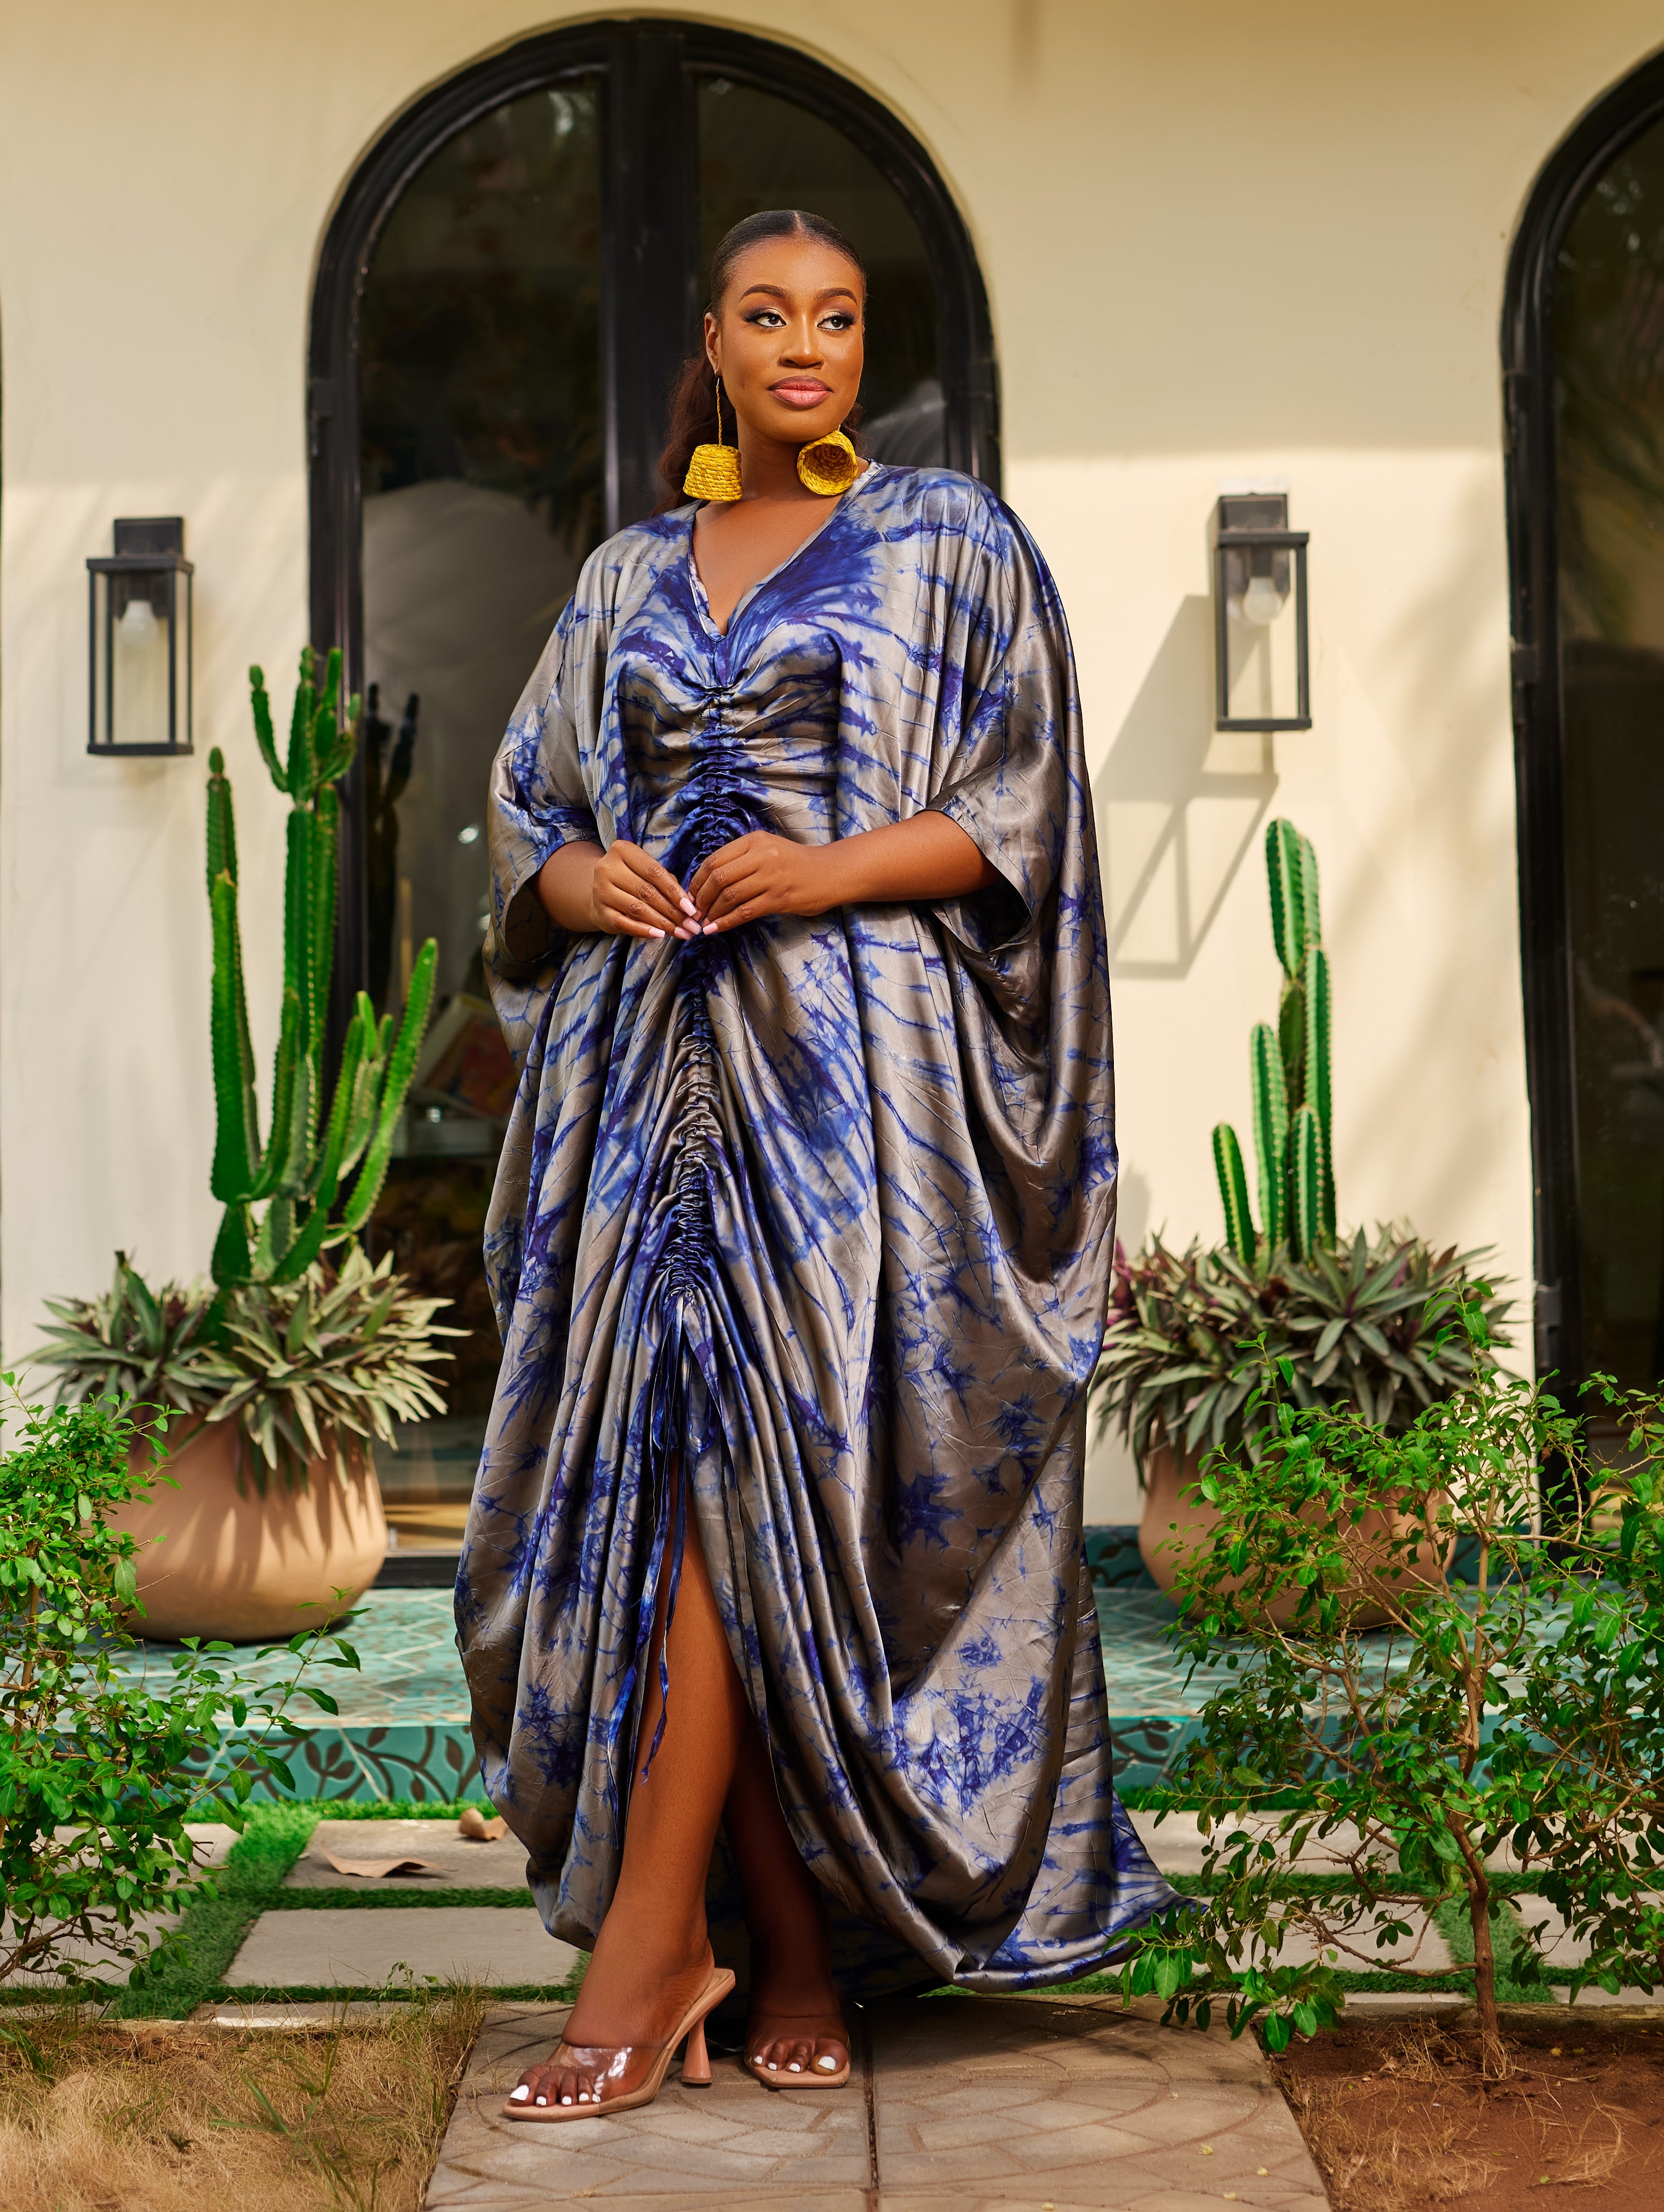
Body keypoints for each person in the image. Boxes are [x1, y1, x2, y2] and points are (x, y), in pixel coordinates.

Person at [459, 207, 1176, 2122]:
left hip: (856, 1095)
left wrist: (830, 867)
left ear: (864, 349)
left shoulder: (951, 544)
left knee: (784, 1499)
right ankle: (760, 1951)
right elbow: (528, 806)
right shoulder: (624, 575)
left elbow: (1024, 805)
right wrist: (579, 880)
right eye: (768, 316)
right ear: (712, 343)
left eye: (840, 320)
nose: (805, 347)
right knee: (683, 1487)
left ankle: (671, 1957)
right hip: (643, 1089)